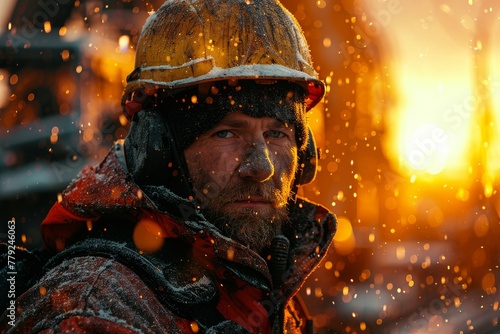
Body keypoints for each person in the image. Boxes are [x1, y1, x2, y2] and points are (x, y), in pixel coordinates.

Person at [0, 0, 336, 332]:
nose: (261, 167)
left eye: (277, 133)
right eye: (226, 132)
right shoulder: (98, 306)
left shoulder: (257, 286)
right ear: (159, 150)